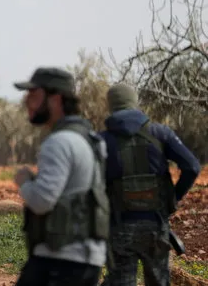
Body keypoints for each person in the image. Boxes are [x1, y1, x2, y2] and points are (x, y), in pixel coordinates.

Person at [13, 67, 109, 286]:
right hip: (87, 259)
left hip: (60, 261)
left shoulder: (58, 143)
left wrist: (24, 181)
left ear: (55, 99)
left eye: (34, 95)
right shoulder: (90, 139)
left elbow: (42, 202)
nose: (27, 102)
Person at [100, 83, 201, 286]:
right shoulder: (160, 133)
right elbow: (192, 166)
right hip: (155, 223)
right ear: (135, 103)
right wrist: (173, 198)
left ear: (111, 106)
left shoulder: (101, 141)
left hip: (120, 225)